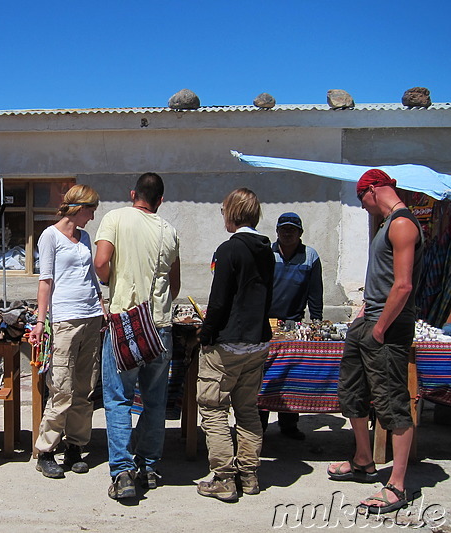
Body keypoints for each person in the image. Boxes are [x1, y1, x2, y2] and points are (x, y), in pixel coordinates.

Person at [328, 169, 422, 515]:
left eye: (360, 200)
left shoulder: (401, 224)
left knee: (392, 402)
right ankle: (363, 461)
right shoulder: (387, 224)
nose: (364, 207)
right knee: (351, 391)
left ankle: (396, 484)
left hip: (388, 328)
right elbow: (383, 279)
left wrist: (380, 327)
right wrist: (365, 311)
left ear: (371, 190)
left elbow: (403, 285)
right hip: (368, 322)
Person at [94, 172, 180, 500]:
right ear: (159, 200)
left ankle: (122, 473)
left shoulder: (114, 218)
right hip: (160, 324)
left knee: (118, 398)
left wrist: (114, 280)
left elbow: (101, 263)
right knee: (155, 400)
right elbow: (175, 285)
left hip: (126, 321)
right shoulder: (169, 231)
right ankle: (149, 466)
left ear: (133, 194)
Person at [196, 188, 274, 502]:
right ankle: (250, 474)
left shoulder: (229, 250)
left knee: (213, 410)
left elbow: (218, 301)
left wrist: (206, 333)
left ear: (232, 214)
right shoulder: (267, 250)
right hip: (256, 342)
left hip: (226, 343)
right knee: (247, 410)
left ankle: (224, 478)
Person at [29, 185, 103, 479]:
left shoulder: (83, 237)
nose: (93, 216)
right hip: (65, 321)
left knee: (85, 389)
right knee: (61, 387)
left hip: (91, 317)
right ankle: (46, 450)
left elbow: (89, 275)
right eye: (91, 210)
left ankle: (75, 445)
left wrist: (101, 303)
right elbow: (45, 281)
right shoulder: (50, 236)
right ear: (79, 208)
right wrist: (40, 321)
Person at [259, 212, 323, 440]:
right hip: (265, 322)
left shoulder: (310, 256)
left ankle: (289, 424)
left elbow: (315, 292)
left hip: (293, 323)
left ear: (300, 233)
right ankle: (260, 425)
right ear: (277, 232)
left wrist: (317, 323)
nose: (287, 234)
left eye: (292, 230)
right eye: (283, 229)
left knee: (290, 373)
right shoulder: (266, 253)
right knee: (263, 375)